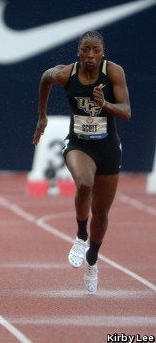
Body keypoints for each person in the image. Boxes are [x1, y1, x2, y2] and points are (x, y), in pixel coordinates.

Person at [33, 30, 131, 292]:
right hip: (79, 144)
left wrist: (105, 103)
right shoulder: (67, 73)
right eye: (85, 50)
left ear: (102, 53)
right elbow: (45, 78)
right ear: (78, 52)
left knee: (101, 213)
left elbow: (126, 112)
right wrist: (42, 115)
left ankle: (92, 259)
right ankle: (80, 236)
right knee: (84, 184)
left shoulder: (113, 73)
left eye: (95, 50)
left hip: (108, 148)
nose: (90, 55)